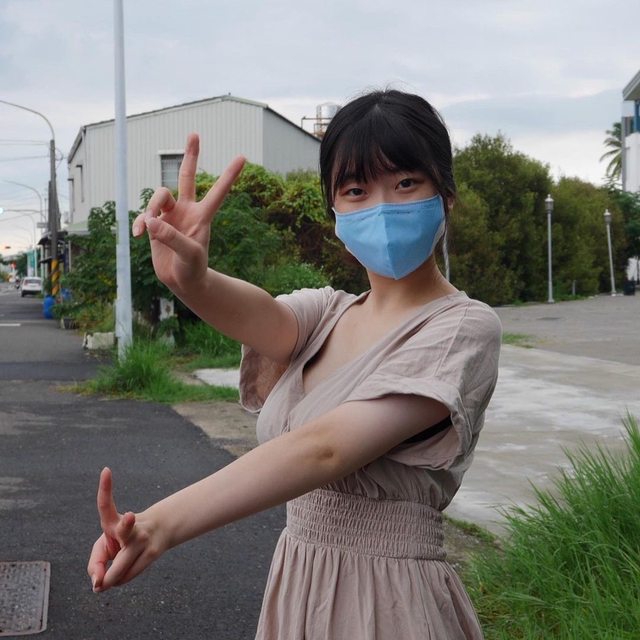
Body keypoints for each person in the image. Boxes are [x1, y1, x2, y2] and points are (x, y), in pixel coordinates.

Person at [88, 89, 502, 639]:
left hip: (391, 602)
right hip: (300, 583)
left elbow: (324, 449)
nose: (381, 207)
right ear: (335, 212)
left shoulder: (462, 328)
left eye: (406, 183)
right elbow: (255, 314)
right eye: (355, 190)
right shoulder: (326, 313)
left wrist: (160, 524)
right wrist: (189, 278)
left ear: (445, 196)